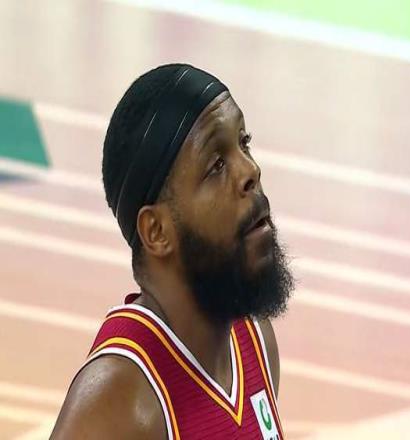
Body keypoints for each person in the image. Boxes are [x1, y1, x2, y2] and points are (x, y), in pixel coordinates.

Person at [50, 64, 294, 439]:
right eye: (216, 165)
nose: (250, 171)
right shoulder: (121, 400)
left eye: (244, 143)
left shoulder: (253, 339)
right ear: (157, 231)